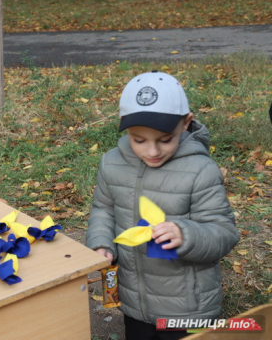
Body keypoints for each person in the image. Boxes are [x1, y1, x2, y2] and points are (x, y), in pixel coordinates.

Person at [86, 71, 239, 340]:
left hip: (187, 308)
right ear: (123, 125)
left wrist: (187, 235)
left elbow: (224, 232)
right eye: (139, 140)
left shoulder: (200, 170)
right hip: (134, 299)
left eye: (165, 139)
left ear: (186, 122)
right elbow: (104, 209)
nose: (152, 152)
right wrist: (102, 243)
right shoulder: (112, 163)